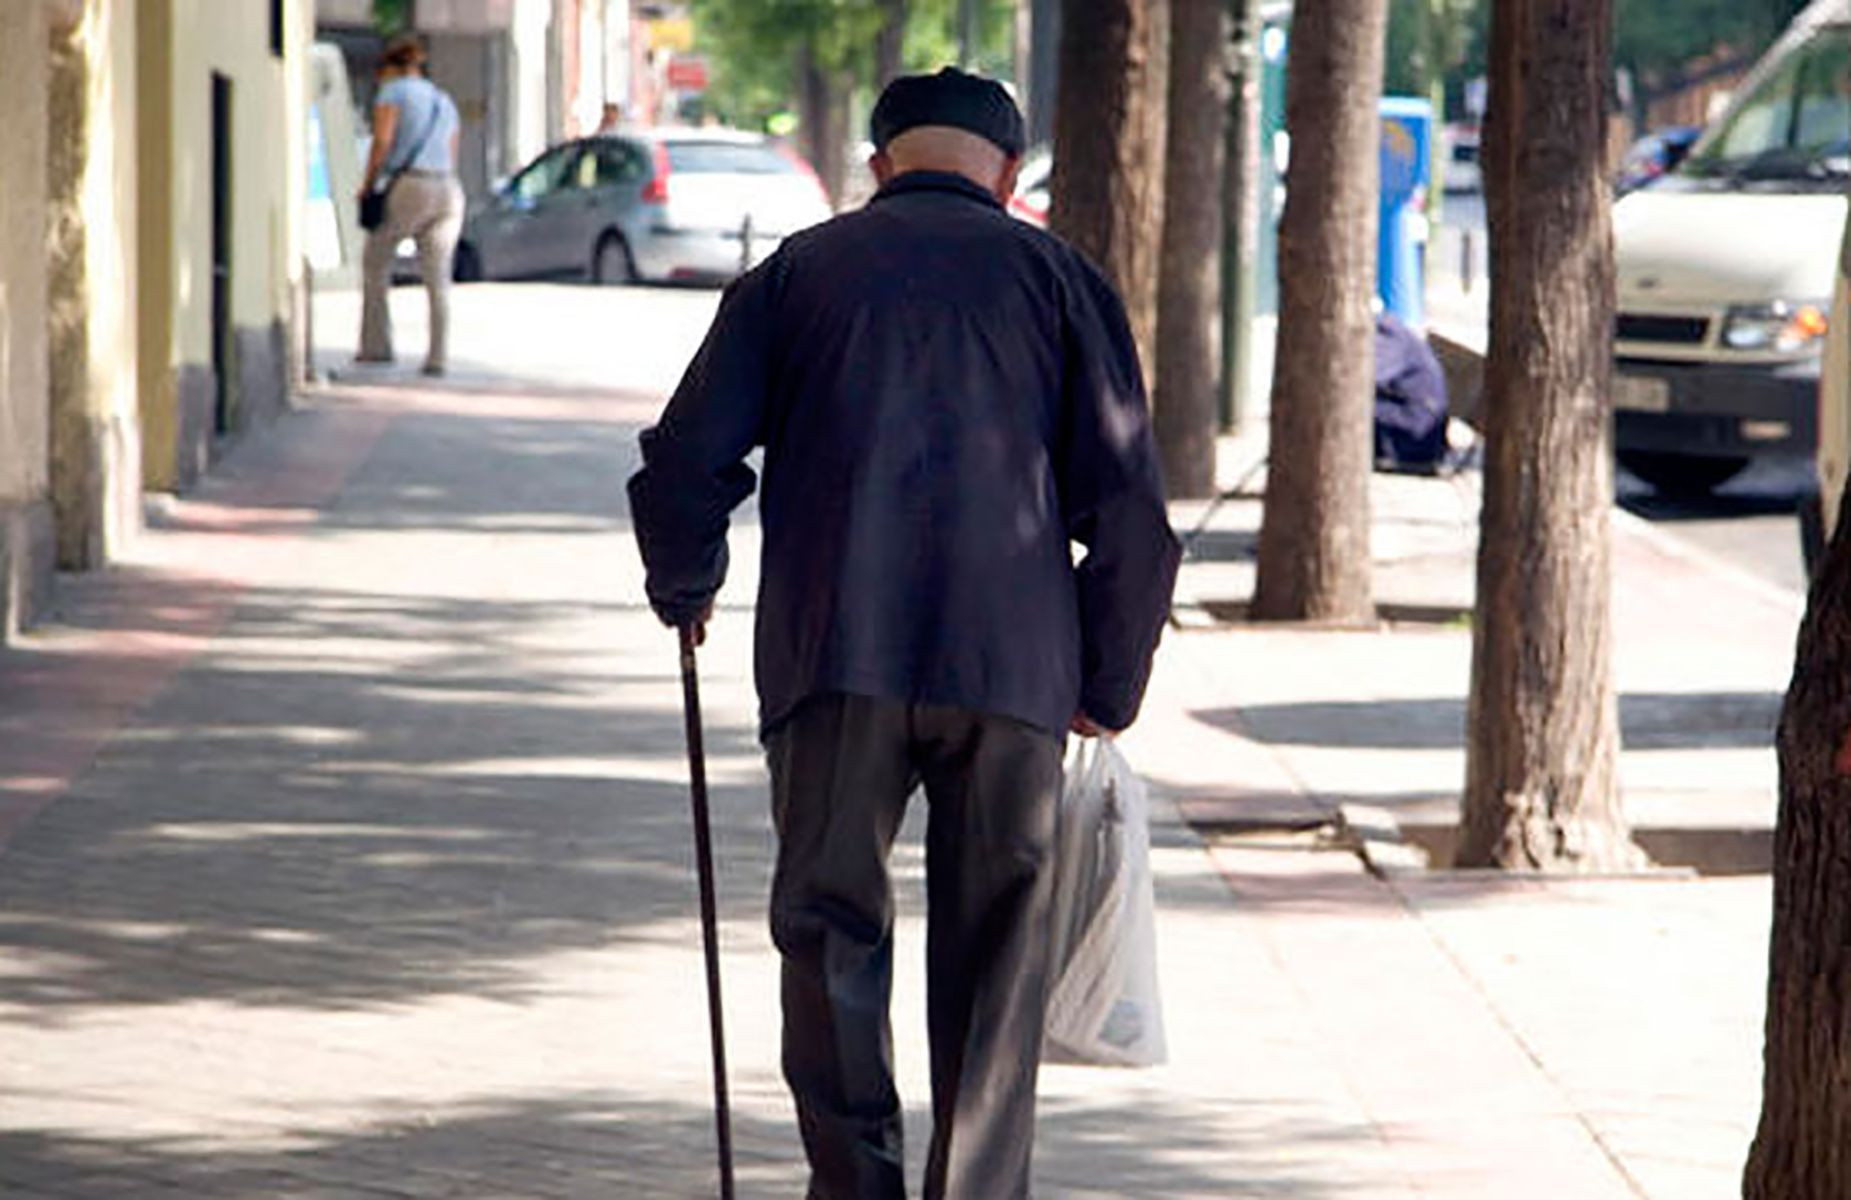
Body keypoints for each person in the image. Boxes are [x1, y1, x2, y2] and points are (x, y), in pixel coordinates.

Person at [628, 68, 1179, 1199]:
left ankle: (856, 1186)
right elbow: (1128, 511)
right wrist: (1108, 682)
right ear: (1010, 174)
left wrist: (688, 581)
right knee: (996, 963)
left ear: (878, 165)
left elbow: (686, 461)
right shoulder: (1064, 283)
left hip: (837, 657)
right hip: (1013, 673)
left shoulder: (796, 276)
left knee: (830, 935)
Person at [356, 35, 463, 376]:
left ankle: (377, 346)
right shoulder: (443, 100)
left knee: (376, 261)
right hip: (447, 187)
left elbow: (383, 141)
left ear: (391, 67)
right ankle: (438, 357)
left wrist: (369, 183)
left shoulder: (393, 92)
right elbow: (452, 150)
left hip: (410, 184)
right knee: (438, 276)